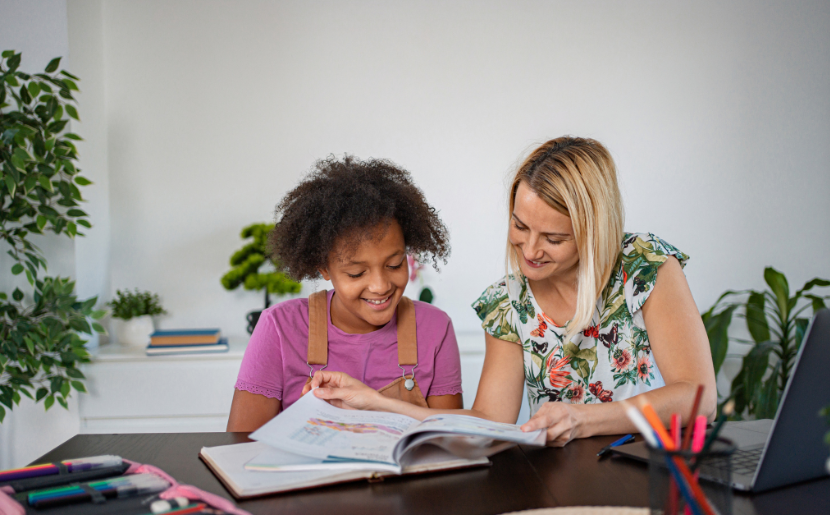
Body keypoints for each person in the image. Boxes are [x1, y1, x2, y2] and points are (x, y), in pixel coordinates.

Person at [305, 137, 717, 446]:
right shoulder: (508, 303)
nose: (531, 250)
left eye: (553, 238)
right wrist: (372, 402)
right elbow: (487, 425)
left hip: (662, 470)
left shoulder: (646, 265)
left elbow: (698, 399)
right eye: (520, 226)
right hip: (564, 485)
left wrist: (584, 419)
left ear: (595, 232)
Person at [226, 156, 463, 432]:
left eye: (394, 264)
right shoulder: (279, 328)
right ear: (324, 267)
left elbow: (452, 442)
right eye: (356, 273)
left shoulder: (435, 328)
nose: (380, 286)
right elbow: (241, 448)